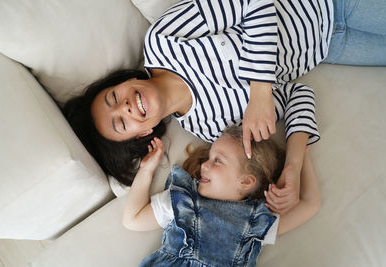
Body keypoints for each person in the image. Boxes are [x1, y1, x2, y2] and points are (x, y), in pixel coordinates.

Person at [63, 0, 386, 213]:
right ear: (143, 134)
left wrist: (259, 89)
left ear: (119, 82)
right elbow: (298, 96)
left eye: (113, 97)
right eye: (122, 122)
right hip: (331, 45)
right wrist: (293, 165)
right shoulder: (209, 127)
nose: (126, 105)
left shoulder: (163, 40)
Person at [122, 125, 321, 266]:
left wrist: (300, 160)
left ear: (245, 182)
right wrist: (146, 170)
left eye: (218, 161)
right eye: (210, 158)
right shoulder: (183, 199)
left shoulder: (255, 219)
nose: (204, 165)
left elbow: (311, 205)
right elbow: (133, 219)